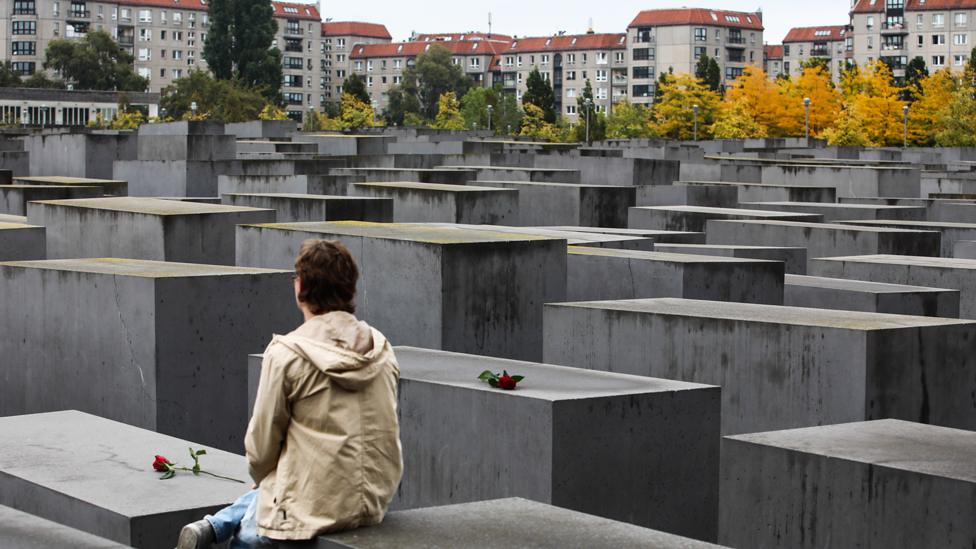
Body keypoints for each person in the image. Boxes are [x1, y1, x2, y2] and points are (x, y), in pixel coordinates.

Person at [177, 239, 403, 549]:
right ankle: (216, 524)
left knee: (250, 531)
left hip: (314, 508)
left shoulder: (287, 353)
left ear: (301, 288)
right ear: (350, 288)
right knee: (284, 482)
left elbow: (260, 449)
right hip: (373, 496)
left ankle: (219, 526)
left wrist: (264, 478)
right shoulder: (382, 348)